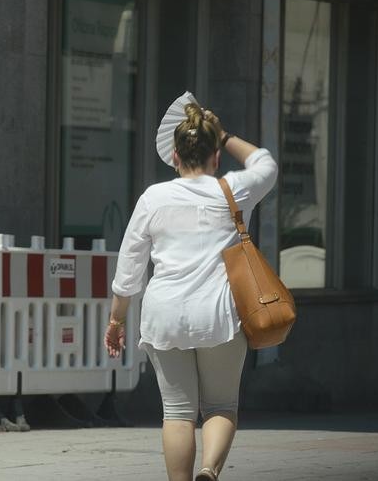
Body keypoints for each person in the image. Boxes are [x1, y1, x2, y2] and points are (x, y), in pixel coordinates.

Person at [105, 103, 277, 481]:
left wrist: (117, 318)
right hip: (219, 314)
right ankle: (209, 470)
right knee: (220, 406)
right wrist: (227, 134)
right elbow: (266, 164)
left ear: (174, 155)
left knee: (177, 413)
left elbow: (130, 266)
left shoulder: (153, 197)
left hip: (165, 315)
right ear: (216, 156)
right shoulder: (233, 190)